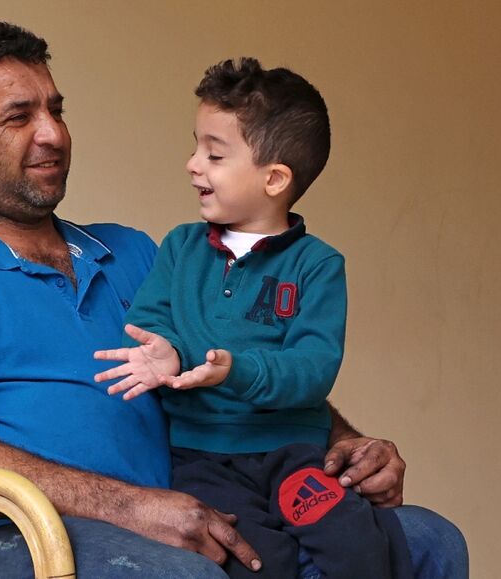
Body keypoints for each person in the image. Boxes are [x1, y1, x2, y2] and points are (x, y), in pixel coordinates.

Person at [0, 19, 467, 579]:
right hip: (13, 541)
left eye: (56, 111)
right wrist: (132, 508)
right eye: (19, 118)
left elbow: (234, 362)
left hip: (200, 503)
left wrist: (343, 445)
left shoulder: (137, 252)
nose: (53, 135)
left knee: (428, 541)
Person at [93, 58, 411, 579]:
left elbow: (313, 367)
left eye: (215, 154)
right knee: (257, 559)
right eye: (195, 147)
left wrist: (236, 370)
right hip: (202, 458)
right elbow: (151, 318)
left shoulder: (318, 265)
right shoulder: (179, 247)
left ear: (274, 179)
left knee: (358, 543)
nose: (194, 164)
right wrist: (165, 351)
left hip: (293, 456)